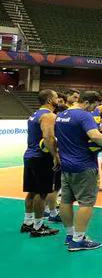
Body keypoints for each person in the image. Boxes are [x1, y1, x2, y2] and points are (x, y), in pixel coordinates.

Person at [55, 91, 102, 251]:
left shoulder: (61, 115)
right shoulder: (84, 115)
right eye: (95, 106)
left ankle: (70, 235)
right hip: (84, 165)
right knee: (86, 202)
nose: (96, 109)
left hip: (66, 166)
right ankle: (78, 240)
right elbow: (95, 135)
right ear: (88, 103)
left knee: (66, 201)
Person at [21, 89, 60, 237]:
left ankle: (28, 222)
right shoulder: (49, 115)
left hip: (30, 155)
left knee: (32, 191)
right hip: (41, 157)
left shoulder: (34, 114)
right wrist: (56, 156)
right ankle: (38, 227)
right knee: (41, 193)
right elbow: (48, 137)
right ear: (50, 100)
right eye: (56, 97)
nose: (58, 99)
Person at [43, 91, 69, 223]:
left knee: (50, 187)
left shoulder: (51, 122)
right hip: (56, 157)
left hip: (49, 156)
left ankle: (47, 211)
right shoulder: (56, 124)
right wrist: (57, 156)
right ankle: (52, 213)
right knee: (55, 187)